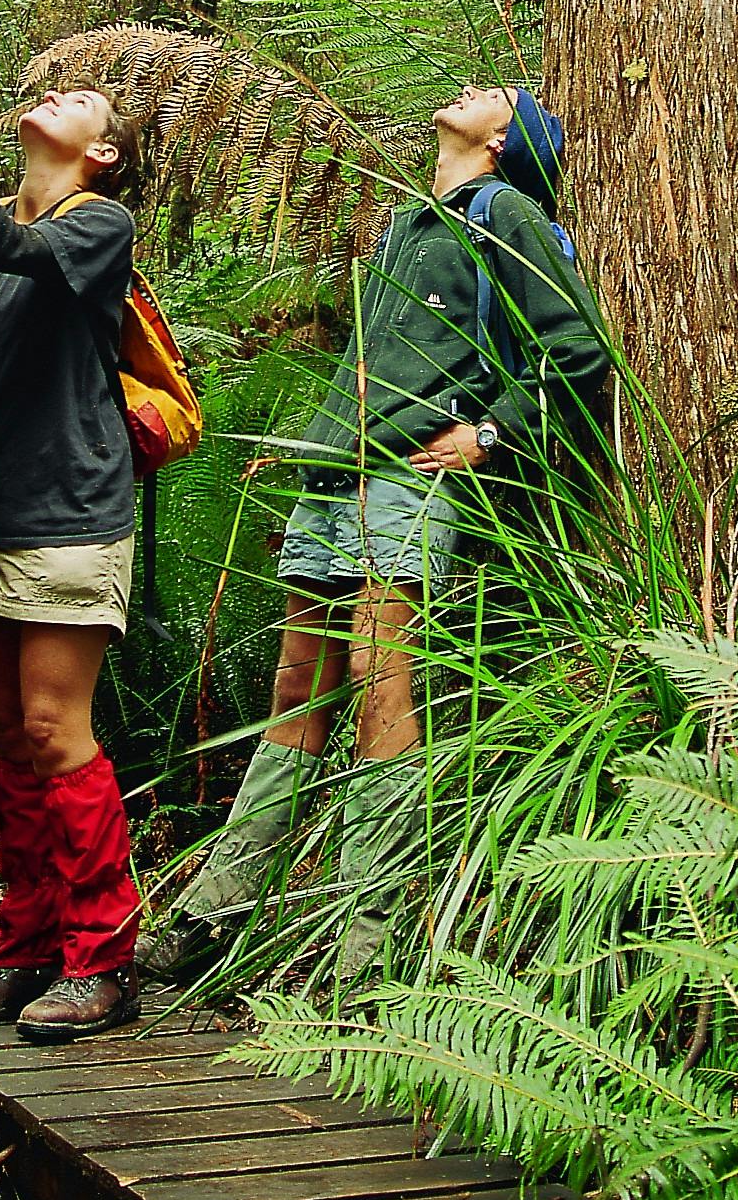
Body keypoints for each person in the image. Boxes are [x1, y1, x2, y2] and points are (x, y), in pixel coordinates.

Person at [154, 82, 607, 986]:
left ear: (503, 137)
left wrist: (488, 433)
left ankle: (364, 949)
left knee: (379, 689)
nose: (473, 90)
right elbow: (376, 360)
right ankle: (214, 911)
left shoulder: (504, 211)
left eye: (496, 95)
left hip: (409, 480)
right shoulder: (411, 222)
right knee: (297, 687)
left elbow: (580, 349)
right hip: (339, 473)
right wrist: (311, 448)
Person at [0, 29, 146, 1043]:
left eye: (86, 103)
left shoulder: (99, 224)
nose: (63, 98)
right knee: (9, 743)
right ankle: (24, 948)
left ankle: (102, 959)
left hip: (68, 512)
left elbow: (19, 251)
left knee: (55, 732)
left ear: (102, 152)